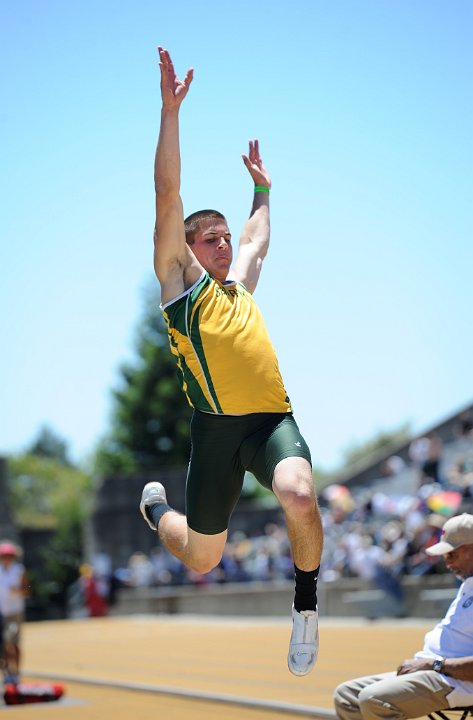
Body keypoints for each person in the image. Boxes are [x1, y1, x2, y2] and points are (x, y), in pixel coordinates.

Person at [139, 47, 323, 676]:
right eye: (209, 237)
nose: (223, 243)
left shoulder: (238, 285)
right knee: (203, 558)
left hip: (270, 420)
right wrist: (171, 113)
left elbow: (257, 238)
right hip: (215, 431)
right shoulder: (179, 285)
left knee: (299, 496)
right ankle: (158, 512)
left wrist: (262, 188)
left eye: (225, 235)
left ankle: (305, 606)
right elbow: (168, 193)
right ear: (186, 249)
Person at [333, 513, 473, 720]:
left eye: (452, 554)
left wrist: (433, 664)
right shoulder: (467, 584)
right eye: (445, 556)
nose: (447, 562)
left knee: (374, 699)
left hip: (457, 681)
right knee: (346, 695)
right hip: (436, 672)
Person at [0, 541, 29, 685]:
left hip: (15, 612)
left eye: (8, 556)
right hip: (1, 613)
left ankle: (16, 672)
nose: (6, 559)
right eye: (4, 556)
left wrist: (17, 590)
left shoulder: (19, 570)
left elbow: (27, 589)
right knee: (4, 645)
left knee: (13, 642)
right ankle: (7, 672)